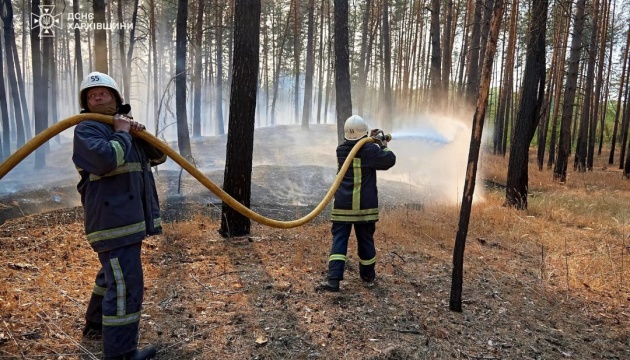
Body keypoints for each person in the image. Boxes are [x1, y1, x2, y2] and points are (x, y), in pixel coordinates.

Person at [72, 71, 166, 360]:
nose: (97, 97)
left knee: (111, 275)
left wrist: (138, 133)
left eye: (103, 93)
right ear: (86, 103)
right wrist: (122, 133)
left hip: (125, 220)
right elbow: (106, 160)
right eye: (92, 95)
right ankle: (121, 353)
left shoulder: (120, 128)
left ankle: (96, 325)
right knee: (125, 284)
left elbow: (158, 157)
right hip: (113, 224)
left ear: (115, 98)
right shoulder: (87, 129)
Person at [318, 115, 396, 292]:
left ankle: (333, 280)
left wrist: (372, 140)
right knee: (365, 240)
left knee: (339, 241)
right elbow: (389, 160)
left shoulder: (341, 150)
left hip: (343, 206)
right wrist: (382, 145)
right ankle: (367, 275)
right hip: (364, 208)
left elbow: (358, 147)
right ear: (364, 133)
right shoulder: (369, 151)